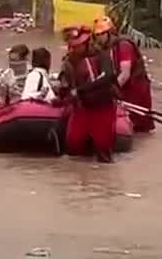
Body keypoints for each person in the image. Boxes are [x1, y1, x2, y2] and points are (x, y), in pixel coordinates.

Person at [62, 26, 118, 163]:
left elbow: (107, 77)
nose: (74, 49)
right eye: (72, 46)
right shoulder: (69, 61)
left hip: (102, 107)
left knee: (103, 148)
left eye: (77, 46)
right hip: (82, 108)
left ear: (86, 44)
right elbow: (66, 84)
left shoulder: (101, 56)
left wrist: (81, 90)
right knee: (73, 144)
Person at [92, 16, 155, 133]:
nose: (98, 38)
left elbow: (125, 73)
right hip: (123, 88)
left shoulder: (123, 45)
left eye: (101, 35)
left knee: (138, 126)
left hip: (135, 88)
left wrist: (112, 91)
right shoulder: (107, 48)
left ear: (110, 33)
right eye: (97, 35)